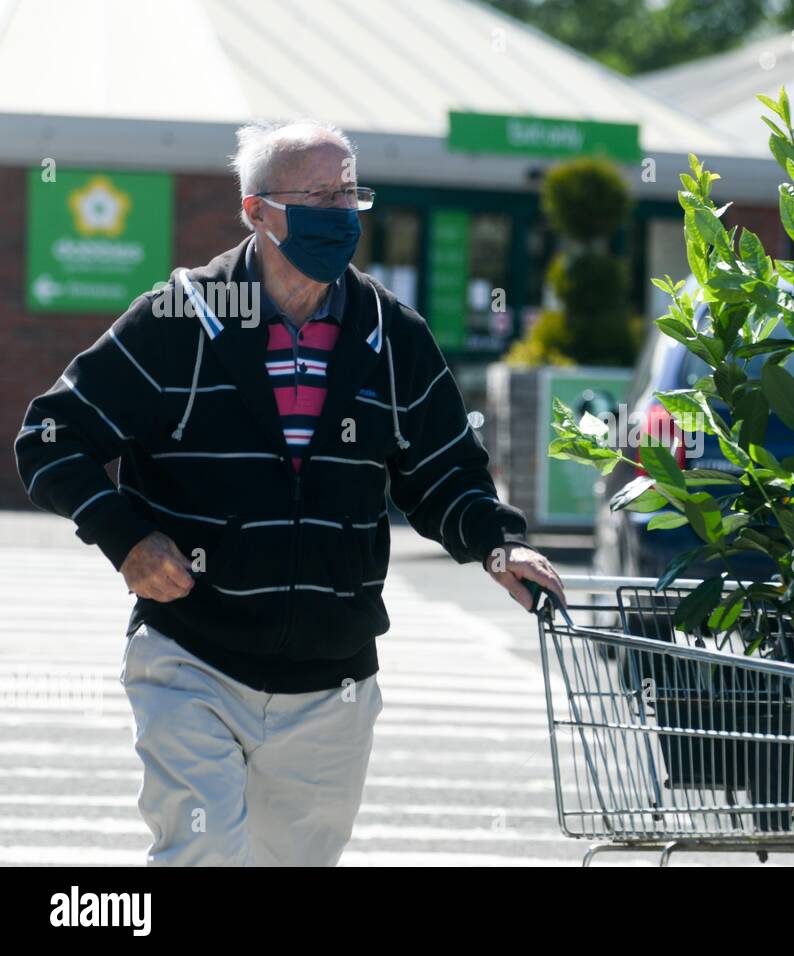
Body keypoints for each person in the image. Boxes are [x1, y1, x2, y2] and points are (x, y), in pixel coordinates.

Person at [13, 118, 565, 866]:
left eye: (350, 194)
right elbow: (50, 436)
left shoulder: (391, 336)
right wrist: (126, 539)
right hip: (190, 658)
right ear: (256, 211)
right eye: (318, 195)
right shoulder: (181, 320)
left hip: (331, 683)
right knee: (200, 854)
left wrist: (499, 545)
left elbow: (444, 472)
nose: (341, 213)